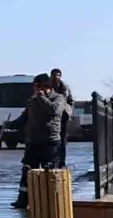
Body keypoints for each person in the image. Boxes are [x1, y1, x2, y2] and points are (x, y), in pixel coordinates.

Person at [6, 73, 67, 209]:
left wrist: (41, 98)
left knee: (49, 172)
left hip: (50, 142)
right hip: (33, 142)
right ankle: (23, 200)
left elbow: (54, 110)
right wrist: (9, 125)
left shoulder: (59, 98)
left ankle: (49, 201)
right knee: (27, 170)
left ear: (46, 87)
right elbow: (23, 119)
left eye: (37, 86)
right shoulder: (32, 101)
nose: (35, 90)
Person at [51, 68, 74, 167]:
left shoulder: (65, 87)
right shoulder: (48, 86)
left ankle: (62, 161)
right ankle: (54, 160)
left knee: (63, 139)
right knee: (53, 139)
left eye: (58, 75)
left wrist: (68, 111)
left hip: (63, 115)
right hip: (53, 115)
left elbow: (70, 101)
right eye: (55, 75)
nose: (56, 77)